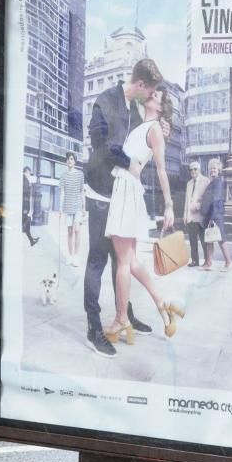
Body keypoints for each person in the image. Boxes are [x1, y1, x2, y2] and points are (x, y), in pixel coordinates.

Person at [83, 58, 168, 357]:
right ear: (142, 84)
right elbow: (100, 144)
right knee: (97, 260)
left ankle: (124, 314)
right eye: (153, 90)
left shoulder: (136, 110)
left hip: (121, 194)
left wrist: (159, 130)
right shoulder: (104, 101)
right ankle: (94, 329)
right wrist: (128, 162)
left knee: (122, 260)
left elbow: (145, 138)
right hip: (99, 193)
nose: (153, 96)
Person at [104, 88, 183, 343]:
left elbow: (161, 171)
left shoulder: (156, 129)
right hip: (126, 187)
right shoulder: (145, 124)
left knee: (123, 262)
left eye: (158, 95)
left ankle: (121, 319)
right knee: (130, 260)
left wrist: (169, 205)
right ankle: (163, 303)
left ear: (160, 108)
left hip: (127, 188)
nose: (153, 94)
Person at [199, 157, 232, 272]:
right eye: (211, 168)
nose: (212, 170)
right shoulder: (212, 182)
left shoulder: (217, 181)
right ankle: (208, 263)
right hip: (210, 215)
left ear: (218, 170)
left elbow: (216, 199)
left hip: (215, 214)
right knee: (209, 239)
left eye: (215, 168)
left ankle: (228, 262)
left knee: (221, 239)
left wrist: (212, 218)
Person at [59, 152, 85, 267]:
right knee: (69, 232)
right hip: (68, 206)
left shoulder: (80, 174)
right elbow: (62, 192)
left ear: (75, 161)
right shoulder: (63, 175)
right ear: (66, 161)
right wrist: (60, 209)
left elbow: (81, 191)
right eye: (68, 159)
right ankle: (70, 255)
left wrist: (84, 207)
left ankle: (76, 256)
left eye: (71, 159)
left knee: (77, 230)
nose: (70, 161)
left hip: (78, 206)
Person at [183, 161, 208, 267]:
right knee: (192, 240)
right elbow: (186, 201)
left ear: (199, 170)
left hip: (201, 217)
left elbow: (207, 199)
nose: (192, 171)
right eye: (191, 170)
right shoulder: (189, 183)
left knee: (204, 241)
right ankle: (195, 261)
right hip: (191, 217)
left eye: (195, 169)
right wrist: (185, 215)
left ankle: (207, 260)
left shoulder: (205, 181)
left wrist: (197, 206)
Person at [21, 166, 39, 246]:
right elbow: (25, 195)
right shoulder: (24, 179)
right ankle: (31, 240)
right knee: (26, 221)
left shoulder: (24, 179)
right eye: (29, 173)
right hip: (24, 206)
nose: (30, 174)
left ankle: (31, 240)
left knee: (26, 222)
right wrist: (25, 209)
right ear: (27, 171)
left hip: (24, 206)